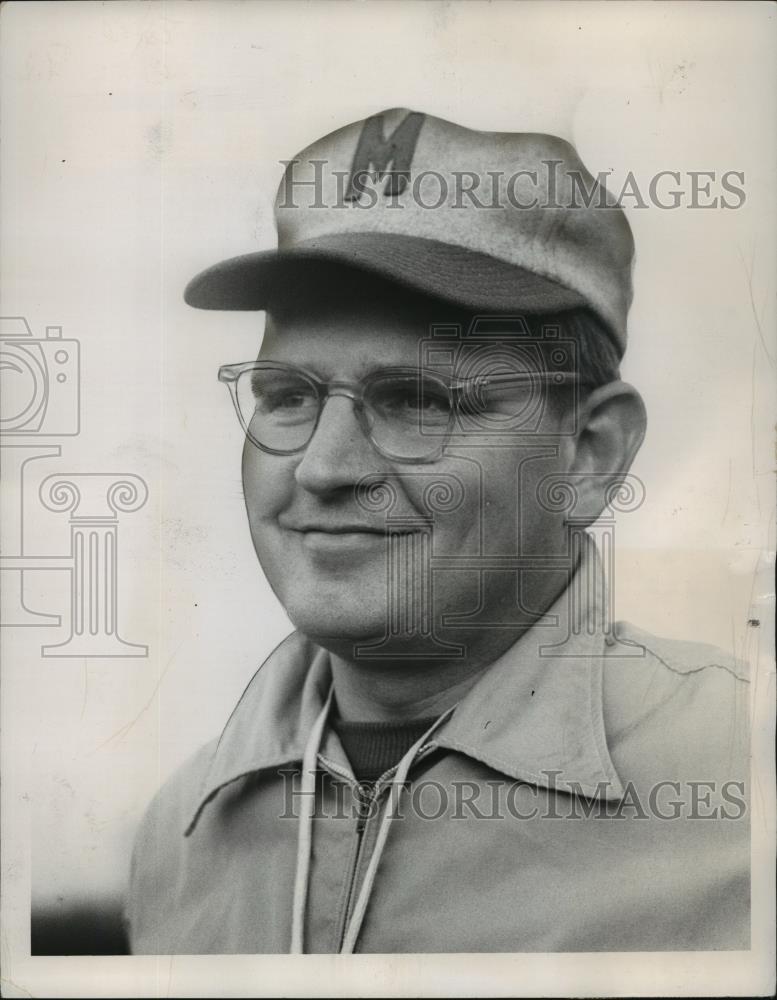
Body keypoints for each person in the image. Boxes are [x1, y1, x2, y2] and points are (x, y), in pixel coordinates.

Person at [125, 109, 749, 954]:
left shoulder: (743, 779)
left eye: (418, 400)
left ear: (590, 453)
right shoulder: (184, 827)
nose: (321, 467)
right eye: (285, 395)